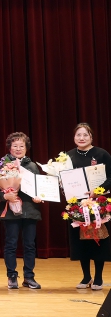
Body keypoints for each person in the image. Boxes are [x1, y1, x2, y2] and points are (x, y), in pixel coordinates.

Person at [0, 132, 42, 289]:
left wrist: (39, 196)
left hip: (30, 210)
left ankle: (29, 277)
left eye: (22, 146)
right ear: (9, 147)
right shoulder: (2, 165)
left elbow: (39, 187)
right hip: (10, 211)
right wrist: (4, 196)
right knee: (11, 244)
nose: (18, 148)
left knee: (29, 245)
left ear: (26, 148)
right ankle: (12, 276)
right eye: (15, 145)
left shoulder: (32, 166)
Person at [66, 123, 111, 290]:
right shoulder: (68, 157)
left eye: (85, 135)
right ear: (74, 137)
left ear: (91, 137)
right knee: (81, 241)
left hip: (97, 204)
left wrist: (98, 191)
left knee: (98, 240)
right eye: (78, 135)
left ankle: (98, 277)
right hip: (76, 204)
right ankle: (86, 277)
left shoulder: (102, 154)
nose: (82, 138)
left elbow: (110, 177)